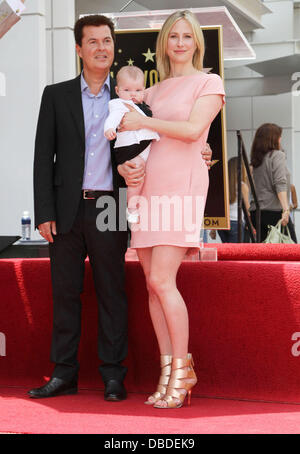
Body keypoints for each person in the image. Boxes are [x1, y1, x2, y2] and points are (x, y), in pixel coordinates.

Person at [29, 14, 213, 401]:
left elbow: (160, 135)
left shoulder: (130, 95)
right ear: (78, 48)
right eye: (92, 42)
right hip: (67, 208)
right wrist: (43, 211)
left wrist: (204, 150)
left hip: (113, 203)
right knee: (66, 292)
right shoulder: (58, 95)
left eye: (107, 41)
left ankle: (114, 376)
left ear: (114, 49)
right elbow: (43, 156)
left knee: (113, 292)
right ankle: (64, 373)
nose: (101, 48)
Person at [118, 10, 225, 408]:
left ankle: (180, 374)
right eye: (173, 36)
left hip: (181, 188)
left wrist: (146, 121)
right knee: (151, 285)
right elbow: (130, 138)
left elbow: (195, 131)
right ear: (164, 43)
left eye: (187, 35)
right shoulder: (151, 91)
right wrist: (124, 164)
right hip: (146, 189)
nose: (180, 42)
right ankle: (172, 374)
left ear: (197, 41)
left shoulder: (209, 82)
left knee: (163, 280)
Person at [104, 65, 159, 224]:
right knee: (136, 174)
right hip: (130, 147)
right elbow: (113, 117)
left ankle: (137, 204)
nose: (133, 94)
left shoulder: (142, 105)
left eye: (138, 90)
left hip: (141, 145)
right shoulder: (119, 103)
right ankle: (132, 208)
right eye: (127, 90)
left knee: (143, 174)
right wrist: (109, 128)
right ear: (117, 90)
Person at [249, 123, 291, 242]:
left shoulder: (256, 161)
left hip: (256, 212)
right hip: (274, 211)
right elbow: (280, 183)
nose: (280, 139)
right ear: (273, 139)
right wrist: (286, 209)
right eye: (279, 136)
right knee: (289, 252)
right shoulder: (277, 155)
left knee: (264, 253)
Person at [218, 157, 250, 243]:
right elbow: (247, 208)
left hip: (222, 224)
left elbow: (218, 207)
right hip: (236, 222)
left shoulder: (222, 185)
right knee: (235, 253)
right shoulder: (242, 186)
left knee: (226, 252)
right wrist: (250, 224)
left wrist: (213, 229)